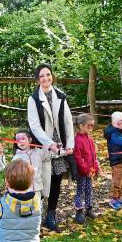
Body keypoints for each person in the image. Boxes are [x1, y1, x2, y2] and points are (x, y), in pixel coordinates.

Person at [27, 63, 75, 231]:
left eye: (48, 75)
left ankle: (51, 216)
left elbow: (68, 121)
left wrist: (69, 144)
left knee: (56, 182)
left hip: (60, 147)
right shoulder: (33, 99)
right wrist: (49, 144)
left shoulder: (61, 96)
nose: (46, 78)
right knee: (39, 182)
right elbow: (34, 126)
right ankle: (35, 217)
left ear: (52, 76)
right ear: (37, 79)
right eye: (42, 76)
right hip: (43, 148)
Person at [12, 129, 67, 199]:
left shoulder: (38, 152)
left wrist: (62, 150)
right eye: (18, 140)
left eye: (23, 139)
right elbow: (12, 175)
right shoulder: (16, 158)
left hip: (37, 188)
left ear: (30, 140)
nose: (20, 142)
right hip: (24, 190)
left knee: (37, 208)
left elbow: (51, 153)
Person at [103, 111, 122, 210]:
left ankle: (119, 197)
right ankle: (113, 199)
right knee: (118, 180)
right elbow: (121, 142)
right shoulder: (113, 134)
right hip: (117, 161)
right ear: (118, 123)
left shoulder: (120, 132)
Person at [73, 114, 99, 224]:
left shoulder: (89, 138)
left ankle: (89, 209)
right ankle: (79, 212)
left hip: (90, 171)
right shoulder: (77, 140)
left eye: (92, 125)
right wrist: (86, 170)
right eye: (89, 126)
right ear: (81, 126)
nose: (91, 128)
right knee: (80, 191)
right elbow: (78, 158)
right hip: (82, 172)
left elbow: (94, 155)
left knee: (89, 190)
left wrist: (96, 168)